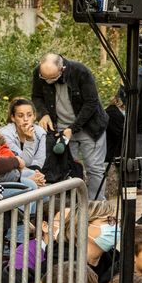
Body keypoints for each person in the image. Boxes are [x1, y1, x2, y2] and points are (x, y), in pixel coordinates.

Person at [32, 50, 108, 198]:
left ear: (62, 69)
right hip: (60, 128)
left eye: (52, 78)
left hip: (89, 126)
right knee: (67, 169)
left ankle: (97, 207)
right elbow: (36, 96)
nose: (47, 81)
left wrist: (72, 128)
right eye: (44, 78)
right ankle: (74, 207)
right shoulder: (39, 72)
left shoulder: (80, 71)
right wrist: (44, 114)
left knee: (94, 168)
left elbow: (91, 103)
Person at [0, 98, 49, 189]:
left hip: (33, 170)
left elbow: (39, 160)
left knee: (44, 195)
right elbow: (23, 162)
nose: (26, 119)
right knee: (33, 188)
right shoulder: (5, 134)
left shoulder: (40, 132)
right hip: (11, 173)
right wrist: (29, 140)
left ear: (34, 116)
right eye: (20, 116)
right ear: (13, 118)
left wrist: (37, 176)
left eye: (29, 115)